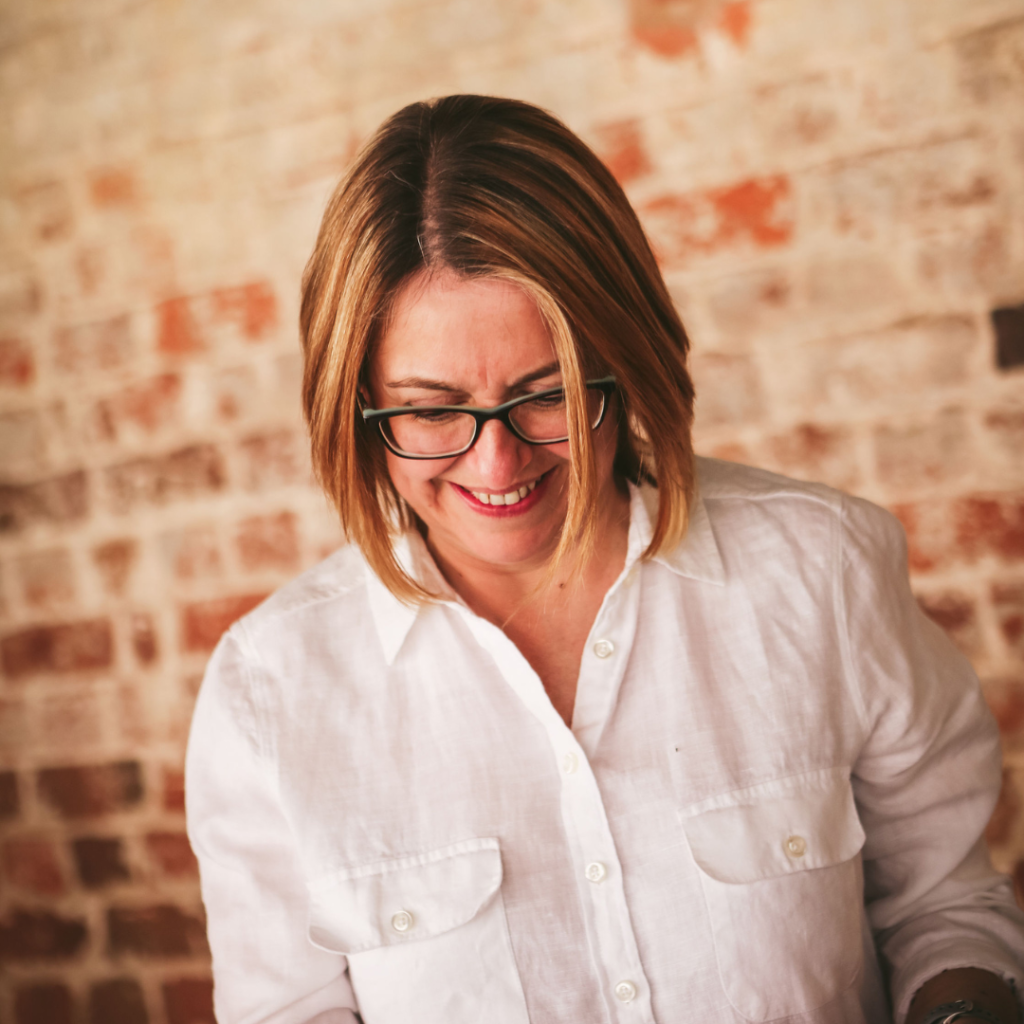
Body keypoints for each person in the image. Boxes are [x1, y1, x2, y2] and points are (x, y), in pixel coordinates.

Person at [185, 94, 1024, 1024]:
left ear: (628, 361)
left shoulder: (819, 571)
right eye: (431, 411)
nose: (496, 462)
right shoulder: (268, 695)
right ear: (358, 412)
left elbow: (943, 904)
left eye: (548, 394)